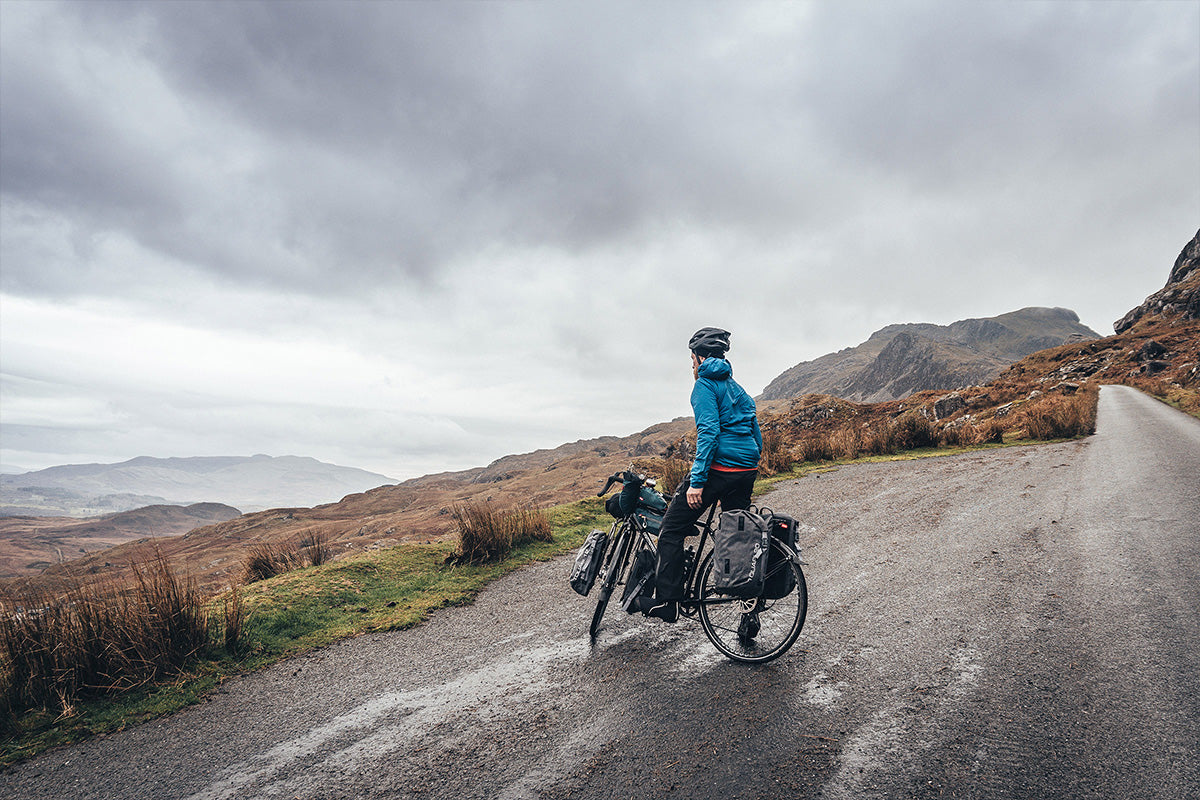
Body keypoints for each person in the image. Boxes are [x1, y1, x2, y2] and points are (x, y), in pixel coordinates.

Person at [637, 327, 762, 622]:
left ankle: (668, 602)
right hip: (747, 470)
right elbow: (756, 434)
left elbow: (708, 433)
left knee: (671, 528)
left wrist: (698, 482)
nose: (692, 366)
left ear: (699, 357)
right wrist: (749, 465)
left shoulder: (704, 386)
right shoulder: (738, 389)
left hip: (720, 470)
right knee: (737, 534)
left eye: (692, 360)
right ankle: (749, 611)